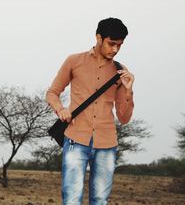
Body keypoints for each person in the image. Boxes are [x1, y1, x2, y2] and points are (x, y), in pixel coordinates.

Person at [46, 18, 135, 205]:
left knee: (100, 200)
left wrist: (128, 90)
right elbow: (52, 93)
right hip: (75, 139)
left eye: (120, 45)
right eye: (111, 44)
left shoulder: (121, 72)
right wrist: (60, 109)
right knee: (71, 198)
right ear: (98, 37)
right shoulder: (74, 61)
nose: (115, 50)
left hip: (107, 143)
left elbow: (124, 118)